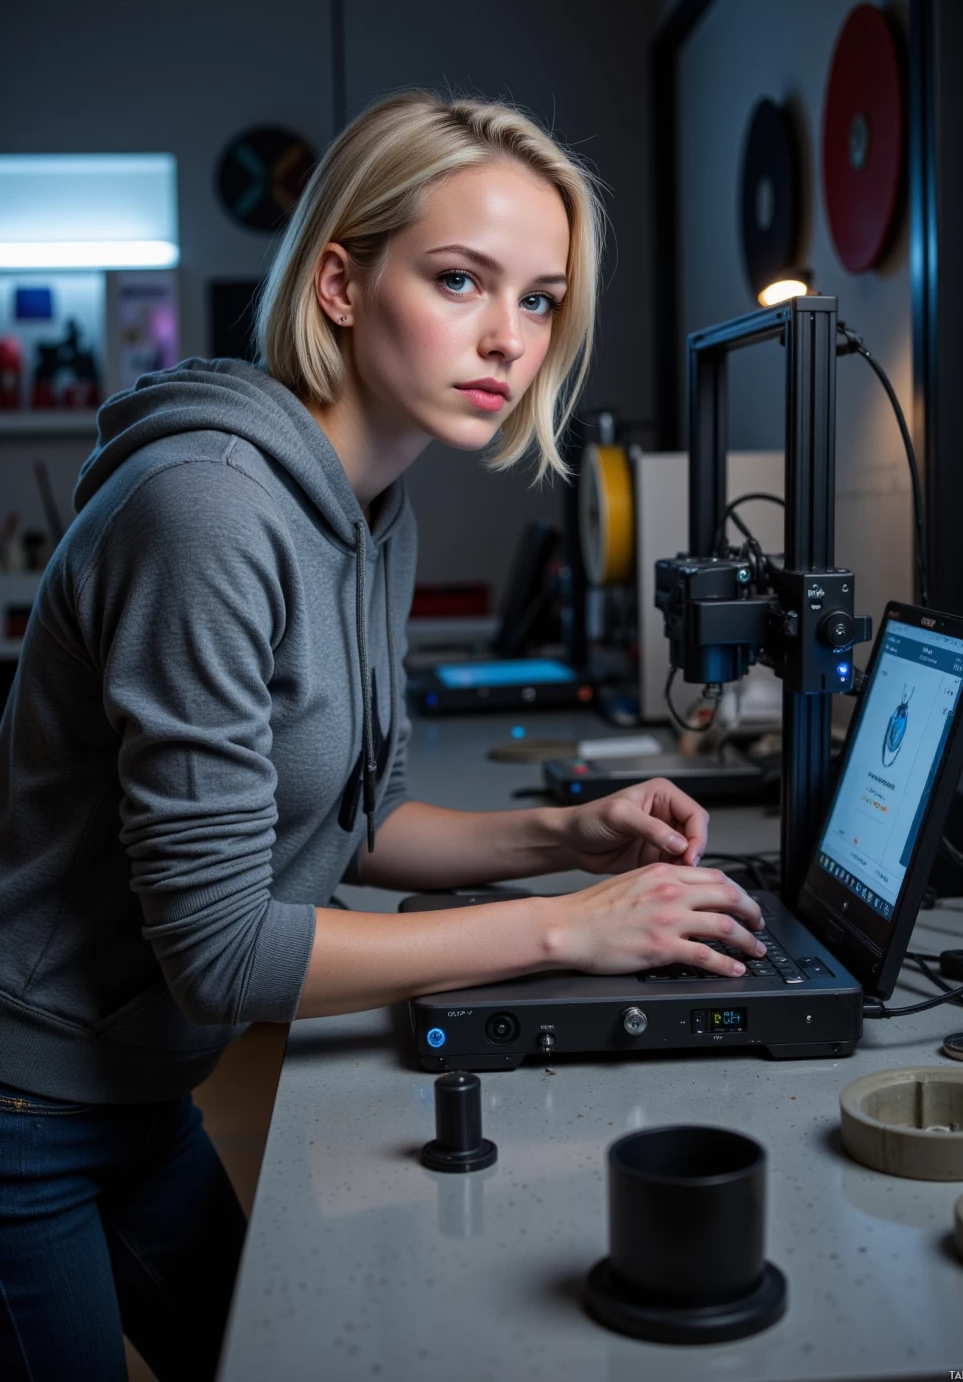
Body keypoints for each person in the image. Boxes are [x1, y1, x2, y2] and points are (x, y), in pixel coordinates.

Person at [0, 91, 766, 1381]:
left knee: (269, 1354)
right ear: (341, 284)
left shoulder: (372, 510)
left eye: (538, 300)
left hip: (137, 1091)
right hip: (26, 1103)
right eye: (461, 279)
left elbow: (362, 814)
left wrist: (565, 833)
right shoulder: (208, 512)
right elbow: (224, 951)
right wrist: (569, 927)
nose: (508, 340)